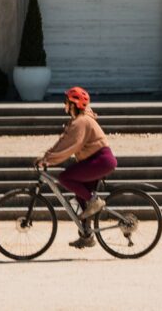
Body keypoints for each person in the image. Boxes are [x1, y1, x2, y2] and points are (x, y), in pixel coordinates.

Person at [39, 85, 117, 247]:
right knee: (80, 199)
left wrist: (47, 159)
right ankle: (86, 235)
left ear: (74, 104)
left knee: (65, 177)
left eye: (66, 102)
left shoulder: (81, 121)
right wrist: (48, 157)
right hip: (96, 161)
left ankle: (95, 200)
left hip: (100, 161)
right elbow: (64, 141)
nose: (64, 105)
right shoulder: (79, 121)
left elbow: (69, 145)